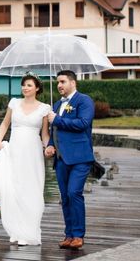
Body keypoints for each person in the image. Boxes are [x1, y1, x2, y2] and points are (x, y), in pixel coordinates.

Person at [0, 73, 51, 246]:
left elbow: (45, 134)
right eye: (24, 85)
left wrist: (48, 147)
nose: (25, 87)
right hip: (14, 151)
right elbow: (5, 123)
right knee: (14, 188)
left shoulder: (45, 108)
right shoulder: (14, 103)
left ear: (37, 88)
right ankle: (16, 230)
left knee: (32, 189)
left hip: (33, 154)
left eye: (29, 85)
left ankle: (30, 231)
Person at [45, 70, 95, 250]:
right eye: (58, 82)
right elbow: (54, 131)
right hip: (61, 159)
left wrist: (57, 119)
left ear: (73, 82)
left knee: (74, 193)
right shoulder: (57, 103)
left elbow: (83, 124)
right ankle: (68, 235)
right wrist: (50, 145)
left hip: (80, 157)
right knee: (65, 198)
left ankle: (78, 235)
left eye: (62, 81)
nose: (59, 85)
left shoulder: (84, 100)